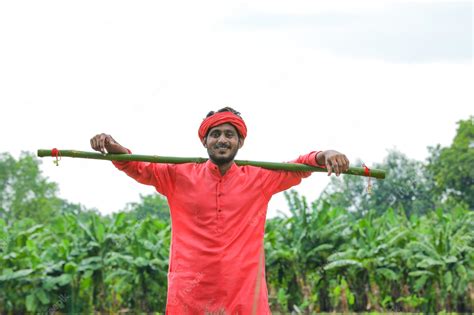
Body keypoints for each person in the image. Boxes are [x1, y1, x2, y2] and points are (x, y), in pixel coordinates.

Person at [90, 107, 349, 314]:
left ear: (240, 142)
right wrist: (114, 148)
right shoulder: (178, 176)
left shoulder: (259, 178)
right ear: (204, 140)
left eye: (229, 134)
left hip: (244, 297)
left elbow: (299, 166)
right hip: (189, 296)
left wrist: (325, 154)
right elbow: (137, 166)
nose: (222, 140)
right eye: (215, 134)